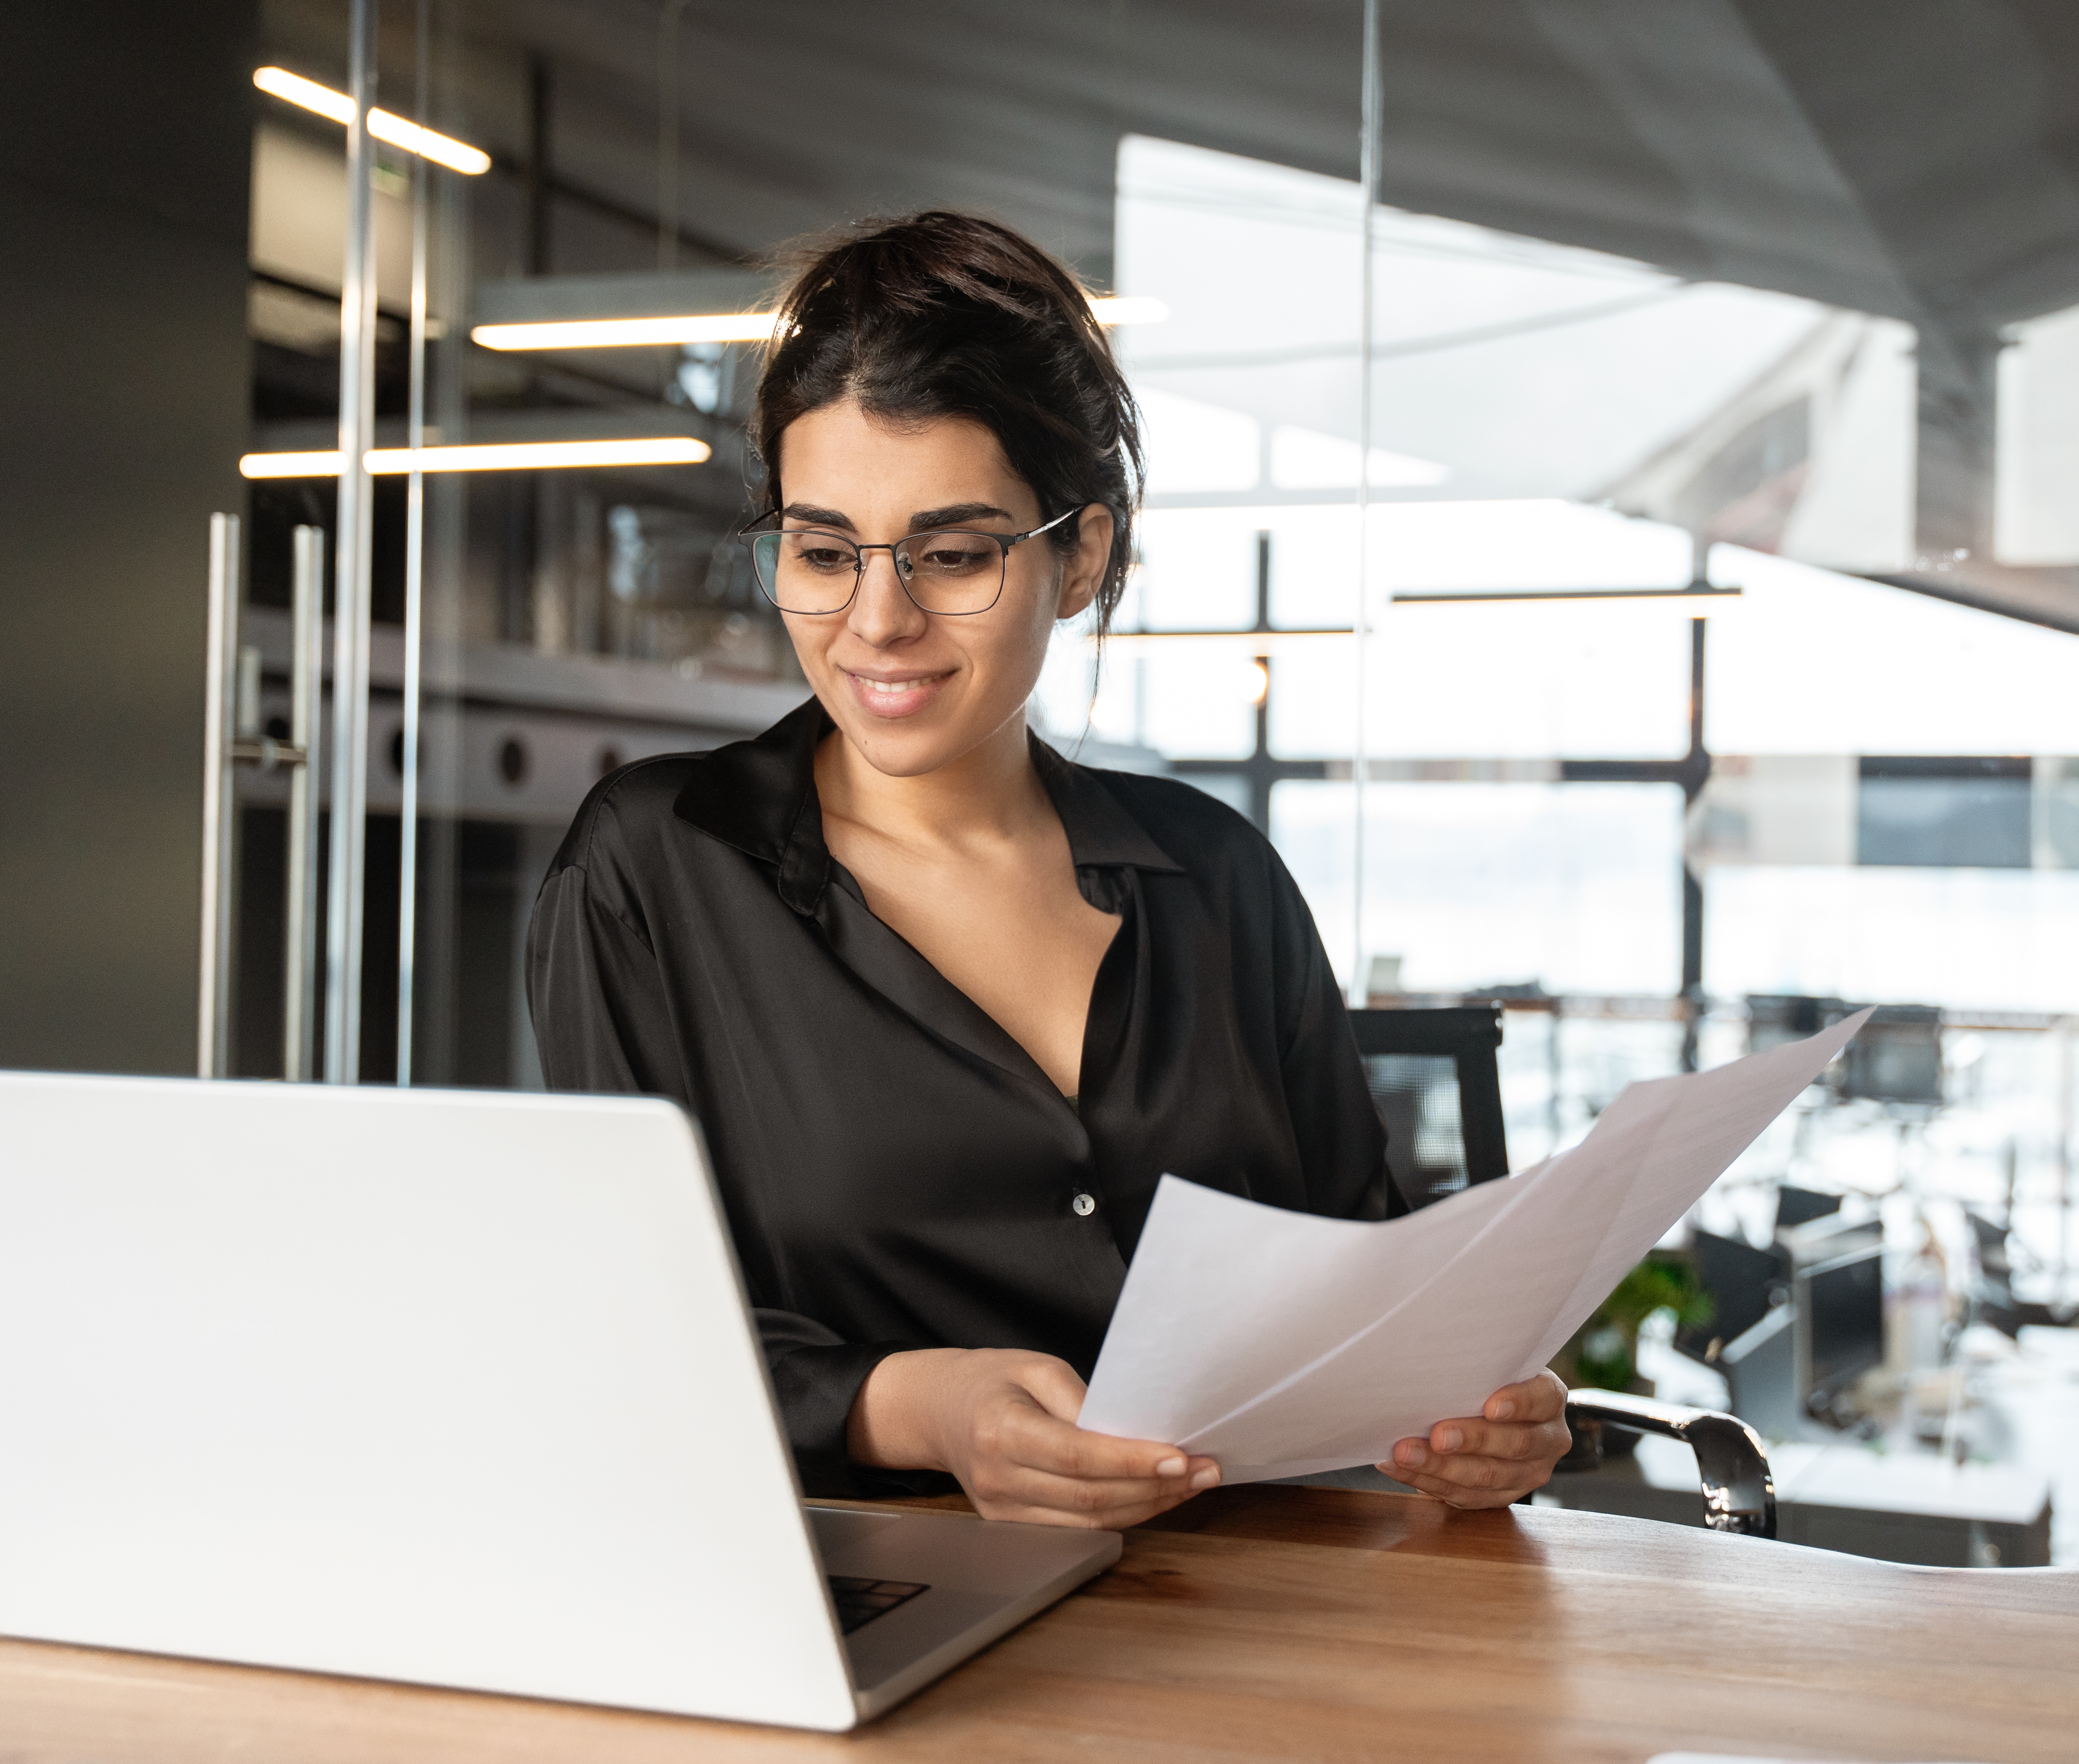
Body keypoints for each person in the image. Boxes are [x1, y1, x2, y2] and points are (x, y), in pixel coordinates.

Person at [525, 211, 1568, 1529]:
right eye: (825, 550)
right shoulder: (660, 869)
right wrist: (915, 1408)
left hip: (1252, 1624)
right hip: (869, 1618)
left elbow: (1364, 1287)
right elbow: (631, 1330)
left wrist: (1476, 1413)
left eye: (953, 554)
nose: (878, 621)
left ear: (1078, 555)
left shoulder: (1217, 878)